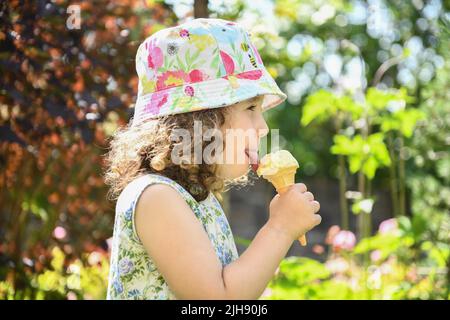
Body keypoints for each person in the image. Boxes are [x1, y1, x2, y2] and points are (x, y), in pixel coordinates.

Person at [103, 17, 321, 300]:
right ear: (200, 122)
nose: (264, 127)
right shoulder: (157, 197)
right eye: (251, 108)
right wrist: (280, 228)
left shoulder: (198, 199)